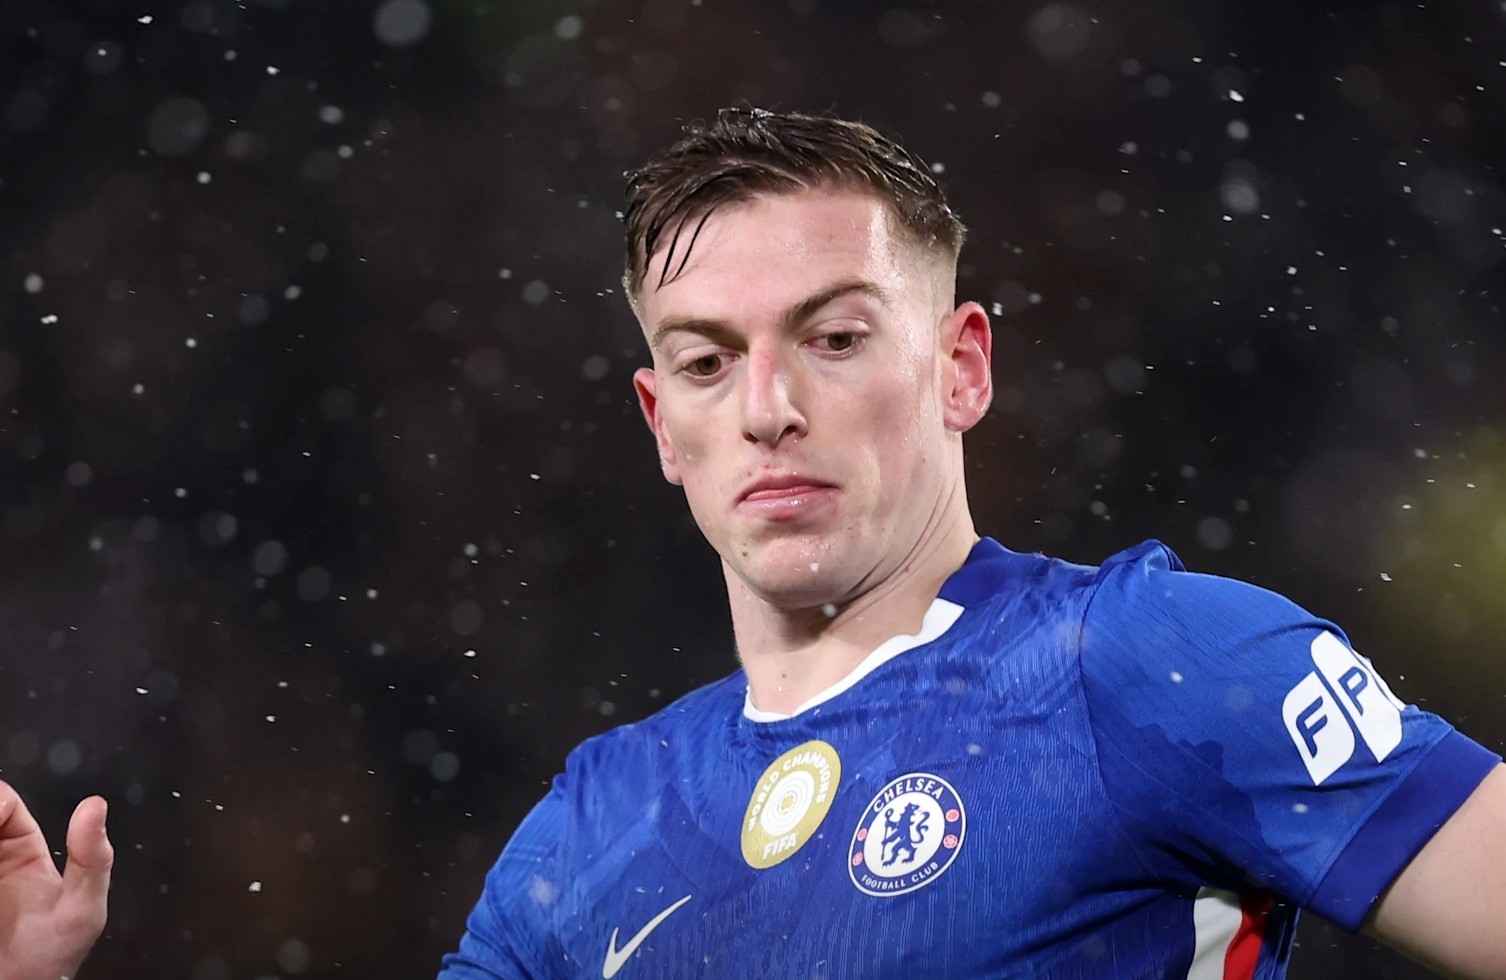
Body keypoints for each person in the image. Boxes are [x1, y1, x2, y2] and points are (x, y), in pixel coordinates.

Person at [4, 107, 1503, 979]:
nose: (769, 407)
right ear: (661, 421)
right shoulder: (585, 835)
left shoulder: (1154, 662)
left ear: (961, 366)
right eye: (709, 362)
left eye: (834, 338)